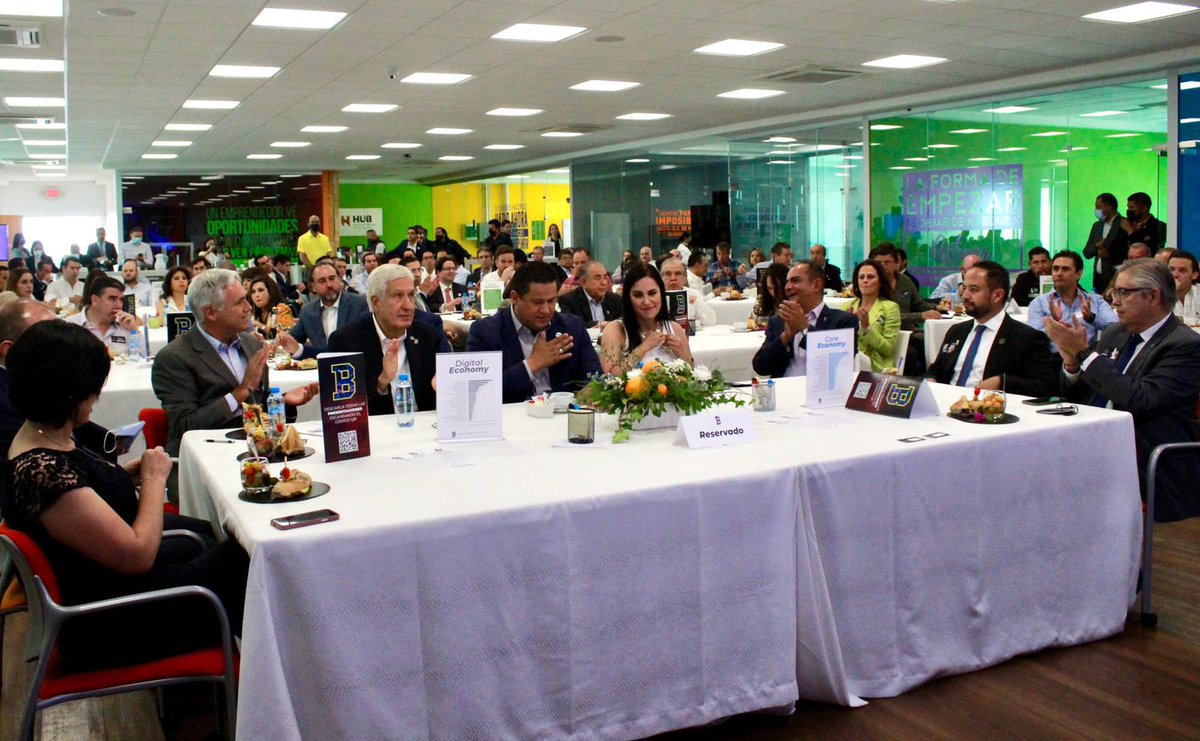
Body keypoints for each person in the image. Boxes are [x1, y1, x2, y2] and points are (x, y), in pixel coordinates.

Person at [3, 320, 250, 671]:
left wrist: (119, 475)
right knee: (243, 560)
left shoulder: (47, 435)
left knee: (211, 534)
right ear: (67, 393)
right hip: (108, 622)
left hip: (112, 587)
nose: (96, 398)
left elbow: (85, 492)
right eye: (91, 390)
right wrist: (152, 480)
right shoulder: (41, 471)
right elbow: (136, 555)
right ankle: (270, 690)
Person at [1045, 258, 1200, 521]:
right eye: (1114, 292)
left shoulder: (1184, 345)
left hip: (1142, 450)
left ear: (1152, 297)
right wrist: (1071, 363)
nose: (1114, 301)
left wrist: (1084, 353)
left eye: (1122, 293)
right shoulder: (1116, 332)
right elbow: (1082, 394)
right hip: (1092, 437)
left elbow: (1139, 399)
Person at [152, 269, 318, 457]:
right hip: (206, 457)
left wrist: (282, 401)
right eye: (239, 302)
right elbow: (186, 426)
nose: (249, 307)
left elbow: (255, 407)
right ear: (211, 312)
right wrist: (241, 391)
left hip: (258, 455)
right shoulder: (174, 358)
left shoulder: (251, 344)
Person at [466, 261, 601, 403]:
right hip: (513, 419)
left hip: (564, 416)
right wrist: (532, 365)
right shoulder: (486, 332)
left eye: (551, 301)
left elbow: (594, 377)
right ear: (515, 298)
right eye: (537, 302)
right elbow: (478, 389)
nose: (546, 310)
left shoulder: (572, 327)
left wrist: (590, 391)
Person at [327, 263, 449, 416]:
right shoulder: (346, 341)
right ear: (376, 302)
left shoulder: (427, 335)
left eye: (410, 295)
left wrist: (446, 387)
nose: (409, 306)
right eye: (398, 296)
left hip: (424, 427)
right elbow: (343, 408)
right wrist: (382, 382)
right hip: (375, 431)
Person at [926, 261, 1059, 396]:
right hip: (946, 406)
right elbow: (936, 369)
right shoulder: (957, 331)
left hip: (989, 410)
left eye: (973, 289)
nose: (965, 295)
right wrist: (930, 379)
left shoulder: (1025, 338)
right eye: (964, 288)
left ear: (997, 295)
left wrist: (1002, 382)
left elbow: (1044, 385)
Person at [752, 261, 858, 378]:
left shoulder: (843, 321)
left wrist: (804, 327)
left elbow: (840, 362)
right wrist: (785, 337)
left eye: (795, 280)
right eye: (787, 282)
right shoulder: (778, 321)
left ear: (816, 285)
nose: (787, 287)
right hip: (784, 392)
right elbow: (760, 367)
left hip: (822, 392)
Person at [599, 262, 692, 374]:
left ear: (661, 294)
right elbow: (609, 377)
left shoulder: (675, 328)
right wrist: (643, 348)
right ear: (628, 298)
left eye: (652, 293)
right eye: (638, 295)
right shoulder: (615, 330)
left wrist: (680, 352)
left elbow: (693, 375)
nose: (647, 302)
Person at [1026, 250, 1118, 352]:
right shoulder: (1039, 303)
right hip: (1052, 360)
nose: (1059, 273)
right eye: (1056, 269)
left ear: (1078, 274)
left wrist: (1091, 318)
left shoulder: (1094, 300)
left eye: (1065, 269)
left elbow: (1116, 327)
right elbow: (1033, 337)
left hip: (1085, 358)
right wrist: (1056, 325)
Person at [279, 261, 370, 358]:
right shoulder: (308, 311)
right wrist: (283, 339)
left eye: (332, 278)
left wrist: (301, 350)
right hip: (319, 369)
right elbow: (294, 339)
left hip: (354, 367)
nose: (329, 285)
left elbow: (364, 345)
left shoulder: (360, 303)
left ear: (340, 280)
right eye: (322, 281)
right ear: (313, 287)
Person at [870, 242, 939, 330]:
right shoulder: (872, 284)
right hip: (883, 330)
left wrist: (936, 307)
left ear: (896, 264)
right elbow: (886, 316)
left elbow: (918, 304)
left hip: (907, 329)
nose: (883, 265)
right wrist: (920, 316)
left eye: (887, 262)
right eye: (879, 263)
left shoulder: (905, 280)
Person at [847, 260, 901, 372]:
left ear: (880, 282)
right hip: (847, 365)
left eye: (870, 277)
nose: (865, 281)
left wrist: (866, 328)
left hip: (876, 368)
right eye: (861, 277)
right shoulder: (846, 307)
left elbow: (888, 349)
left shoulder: (890, 308)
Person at [65, 276, 141, 355]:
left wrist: (134, 330)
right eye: (112, 299)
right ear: (95, 300)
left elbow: (142, 358)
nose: (119, 305)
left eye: (121, 300)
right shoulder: (71, 326)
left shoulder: (125, 326)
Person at [1082, 192, 1127, 293]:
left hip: (1115, 279)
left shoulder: (1124, 225)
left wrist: (1109, 255)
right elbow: (1086, 253)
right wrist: (1096, 245)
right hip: (1098, 279)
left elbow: (1128, 254)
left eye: (1098, 207)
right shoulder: (1097, 226)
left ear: (1108, 207)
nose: (1096, 210)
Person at [559, 260, 622, 329]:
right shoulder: (569, 300)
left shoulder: (614, 299)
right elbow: (571, 325)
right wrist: (599, 324)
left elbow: (622, 321)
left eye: (605, 277)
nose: (603, 282)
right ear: (583, 282)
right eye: (597, 278)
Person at [660, 256, 716, 328]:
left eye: (678, 273)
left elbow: (710, 321)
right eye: (668, 274)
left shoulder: (693, 294)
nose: (673, 278)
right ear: (661, 278)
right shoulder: (656, 296)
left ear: (685, 278)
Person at [247, 274, 296, 338]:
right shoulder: (254, 313)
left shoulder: (279, 309)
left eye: (261, 290)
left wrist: (260, 326)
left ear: (270, 292)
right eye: (253, 292)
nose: (256, 295)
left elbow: (286, 335)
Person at [1167, 249, 1200, 324]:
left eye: (1182, 270)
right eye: (1171, 269)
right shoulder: (1158, 295)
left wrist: (1183, 320)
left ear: (1194, 275)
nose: (1175, 275)